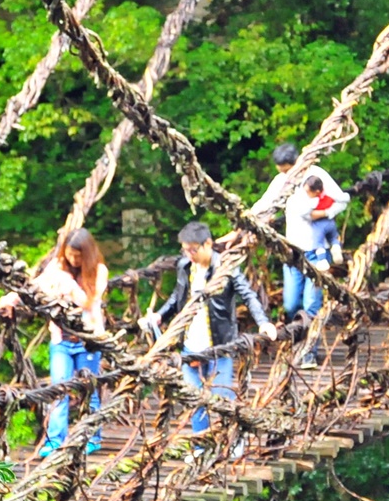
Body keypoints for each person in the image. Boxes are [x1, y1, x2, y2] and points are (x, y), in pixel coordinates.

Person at [141, 221, 277, 436]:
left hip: (219, 345)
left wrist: (263, 322)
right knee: (195, 400)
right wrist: (160, 315)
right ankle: (199, 445)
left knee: (224, 398)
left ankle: (232, 440)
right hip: (189, 346)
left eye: (193, 249)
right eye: (185, 249)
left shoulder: (226, 268)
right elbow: (178, 296)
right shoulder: (185, 266)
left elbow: (248, 295)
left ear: (208, 244)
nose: (189, 254)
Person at [0, 227, 110, 457]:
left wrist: (68, 285)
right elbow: (34, 288)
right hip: (61, 340)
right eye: (69, 254)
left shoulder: (99, 271)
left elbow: (88, 303)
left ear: (86, 253)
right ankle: (56, 440)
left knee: (89, 390)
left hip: (88, 341)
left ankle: (92, 437)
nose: (73, 259)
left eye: (78, 255)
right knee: (58, 389)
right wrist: (10, 299)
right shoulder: (58, 268)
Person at [250, 143, 347, 367]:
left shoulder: (316, 175)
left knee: (311, 304)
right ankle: (300, 342)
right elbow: (266, 203)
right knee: (291, 304)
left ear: (297, 163)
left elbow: (341, 200)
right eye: (281, 170)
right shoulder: (281, 181)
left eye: (287, 169)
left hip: (316, 254)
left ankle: (308, 353)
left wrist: (323, 213)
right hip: (291, 253)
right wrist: (247, 217)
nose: (285, 174)